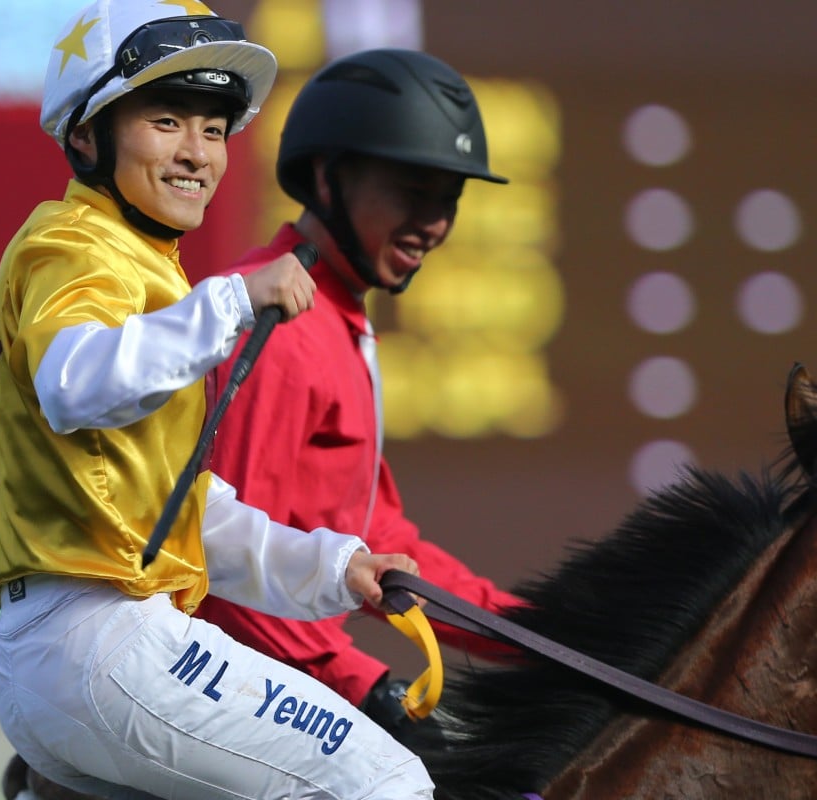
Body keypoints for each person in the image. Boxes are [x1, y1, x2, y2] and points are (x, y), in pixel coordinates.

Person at [0, 3, 433, 799]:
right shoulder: (72, 243)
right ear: (86, 135)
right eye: (166, 121)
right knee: (388, 785)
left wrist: (334, 569)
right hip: (102, 637)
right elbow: (72, 384)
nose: (197, 153)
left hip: (72, 650)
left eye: (215, 129)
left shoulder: (142, 267)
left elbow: (186, 515)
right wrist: (230, 302)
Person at [193, 48, 523, 746]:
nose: (434, 223)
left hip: (284, 683)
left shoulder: (335, 319)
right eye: (414, 191)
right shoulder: (280, 327)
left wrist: (534, 635)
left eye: (449, 200)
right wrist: (365, 687)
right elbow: (218, 564)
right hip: (228, 697)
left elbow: (385, 550)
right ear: (327, 176)